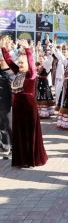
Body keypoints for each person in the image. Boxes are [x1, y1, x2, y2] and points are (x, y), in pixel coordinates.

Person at [1, 38, 48, 167]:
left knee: (29, 134)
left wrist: (28, 50)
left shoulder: (31, 74)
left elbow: (32, 63)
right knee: (19, 134)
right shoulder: (17, 72)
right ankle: (21, 159)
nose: (20, 65)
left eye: (22, 63)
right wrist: (3, 48)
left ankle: (30, 159)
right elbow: (9, 61)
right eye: (19, 63)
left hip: (28, 108)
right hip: (17, 108)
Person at [0, 45, 14, 159]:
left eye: (1, 60)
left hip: (7, 104)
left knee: (9, 125)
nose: (0, 61)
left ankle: (14, 147)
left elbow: (12, 92)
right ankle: (5, 147)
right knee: (2, 126)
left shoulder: (10, 73)